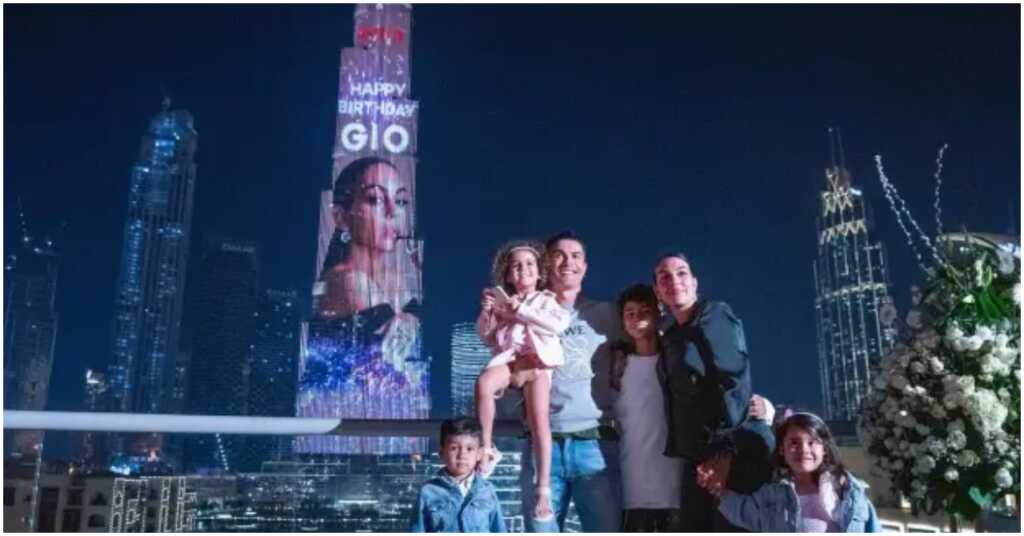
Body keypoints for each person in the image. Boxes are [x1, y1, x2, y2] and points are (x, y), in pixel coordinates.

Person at [608, 284, 777, 532]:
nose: (638, 319)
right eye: (630, 314)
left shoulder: (677, 357)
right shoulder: (617, 367)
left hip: (680, 483)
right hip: (633, 486)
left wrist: (767, 408)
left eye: (645, 311)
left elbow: (722, 382)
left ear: (658, 314)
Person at [653, 252, 775, 532]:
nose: (674, 281)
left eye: (681, 273)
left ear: (695, 282)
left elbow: (734, 380)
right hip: (695, 456)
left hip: (730, 452)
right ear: (658, 291)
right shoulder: (671, 336)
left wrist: (727, 456)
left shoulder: (714, 314)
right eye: (664, 277)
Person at [517, 231, 623, 533]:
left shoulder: (606, 314)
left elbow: (649, 342)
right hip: (542, 451)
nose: (568, 262)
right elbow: (503, 369)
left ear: (585, 267)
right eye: (559, 255)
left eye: (576, 255)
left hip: (596, 448)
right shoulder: (526, 313)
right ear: (546, 263)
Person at [475, 241, 570, 522]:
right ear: (507, 275)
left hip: (539, 364)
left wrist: (520, 310)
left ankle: (543, 489)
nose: (524, 269)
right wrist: (488, 312)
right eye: (516, 265)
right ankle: (488, 447)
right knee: (483, 383)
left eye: (530, 264)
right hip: (512, 362)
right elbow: (486, 336)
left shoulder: (545, 300)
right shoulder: (503, 303)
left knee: (539, 421)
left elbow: (558, 324)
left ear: (539, 272)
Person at [700, 412, 882, 532]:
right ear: (782, 449)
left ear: (824, 448)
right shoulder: (771, 495)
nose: (804, 449)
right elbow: (745, 512)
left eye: (812, 442)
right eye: (794, 442)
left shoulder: (850, 492)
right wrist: (718, 489)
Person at [411, 417, 507, 532]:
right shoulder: (428, 492)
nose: (462, 455)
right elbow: (417, 529)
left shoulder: (487, 491)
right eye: (454, 448)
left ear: (479, 454)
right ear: (442, 453)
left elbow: (499, 529)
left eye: (469, 448)